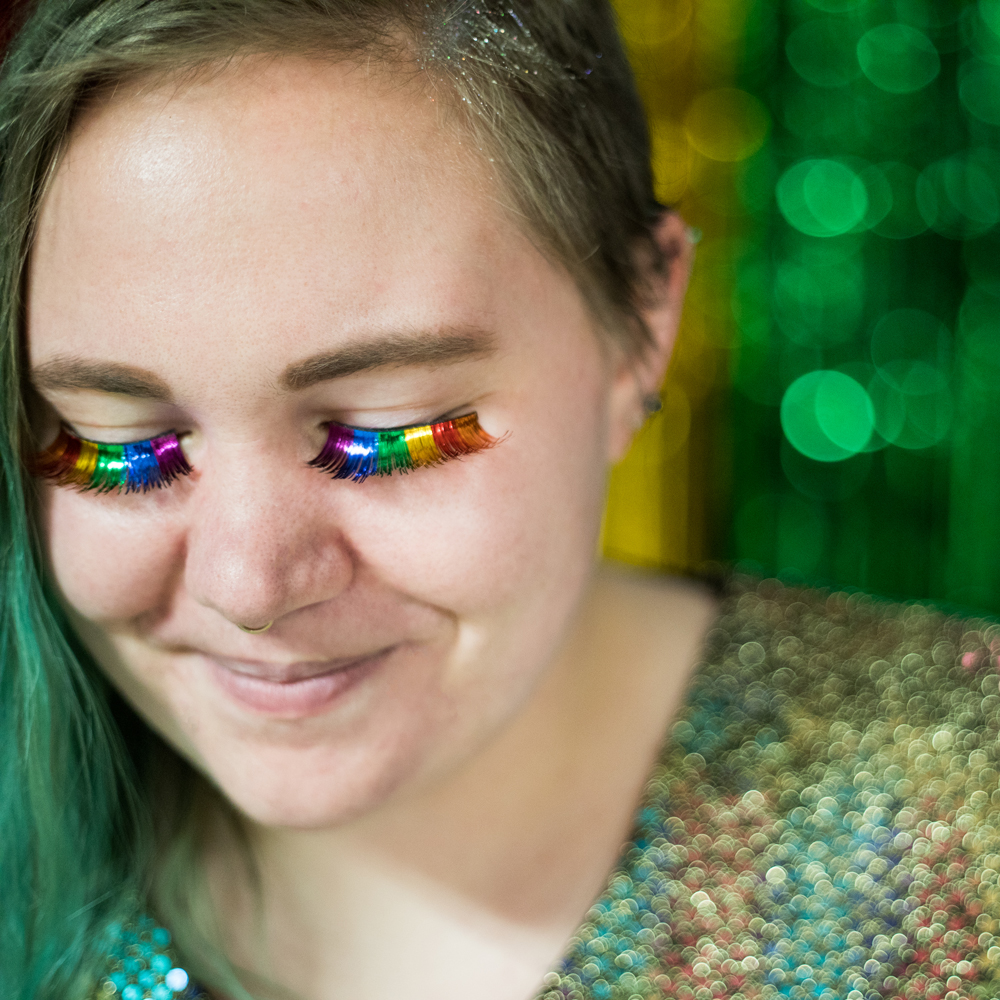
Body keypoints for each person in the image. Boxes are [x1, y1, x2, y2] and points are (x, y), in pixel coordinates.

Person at [2, 3, 999, 1000]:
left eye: (392, 436)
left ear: (642, 326)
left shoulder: (967, 821)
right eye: (117, 452)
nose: (249, 584)